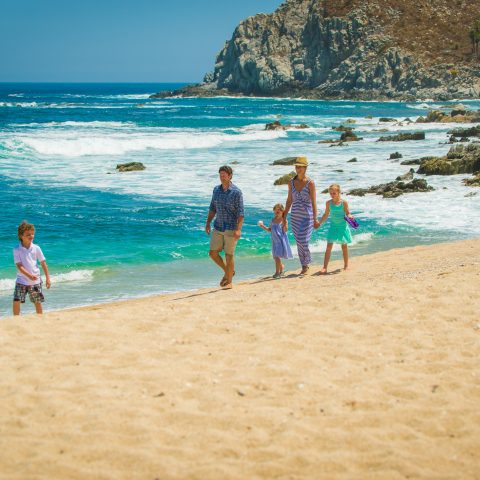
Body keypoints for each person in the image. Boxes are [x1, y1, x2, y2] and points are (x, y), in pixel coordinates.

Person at [205, 165, 244, 289]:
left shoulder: (236, 192)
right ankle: (228, 272)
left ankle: (230, 282)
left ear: (230, 176)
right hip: (218, 226)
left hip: (231, 228)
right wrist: (208, 223)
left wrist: (238, 229)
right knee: (212, 253)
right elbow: (212, 208)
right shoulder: (216, 190)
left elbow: (241, 213)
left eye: (224, 175)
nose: (222, 177)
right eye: (220, 175)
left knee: (229, 255)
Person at [283, 156, 320, 275]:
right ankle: (304, 265)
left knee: (303, 240)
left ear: (305, 168)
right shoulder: (291, 182)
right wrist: (284, 216)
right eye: (296, 166)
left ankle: (306, 263)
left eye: (300, 166)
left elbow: (314, 202)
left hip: (307, 217)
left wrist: (315, 218)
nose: (297, 168)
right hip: (295, 217)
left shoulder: (310, 183)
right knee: (299, 241)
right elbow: (289, 200)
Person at [13, 221, 51, 315]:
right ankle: (16, 319)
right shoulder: (16, 249)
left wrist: (48, 278)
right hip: (21, 280)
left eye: (32, 234)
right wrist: (29, 275)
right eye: (28, 234)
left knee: (37, 302)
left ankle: (40, 318)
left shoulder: (36, 248)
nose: (31, 236)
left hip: (35, 281)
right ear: (21, 236)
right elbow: (19, 266)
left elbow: (43, 263)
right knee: (16, 300)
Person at [317, 183, 354, 273]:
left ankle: (346, 265)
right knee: (329, 246)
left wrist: (350, 216)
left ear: (339, 192)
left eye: (334, 193)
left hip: (342, 227)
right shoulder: (328, 203)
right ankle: (325, 267)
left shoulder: (343, 203)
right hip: (333, 227)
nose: (332, 195)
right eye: (331, 193)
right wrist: (320, 223)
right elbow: (326, 214)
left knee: (344, 247)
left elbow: (347, 213)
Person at [258, 203, 293, 278]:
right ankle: (281, 267)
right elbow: (269, 229)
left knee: (277, 256)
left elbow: (285, 230)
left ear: (282, 211)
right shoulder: (273, 220)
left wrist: (284, 225)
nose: (276, 213)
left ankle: (277, 272)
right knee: (275, 257)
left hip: (280, 240)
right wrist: (262, 226)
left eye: (278, 211)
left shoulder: (284, 220)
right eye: (275, 211)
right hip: (274, 241)